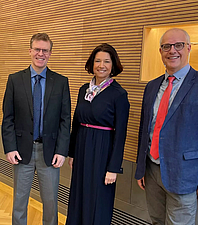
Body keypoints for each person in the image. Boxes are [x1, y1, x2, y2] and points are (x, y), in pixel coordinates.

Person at [135, 28, 198, 225]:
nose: (172, 51)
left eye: (178, 45)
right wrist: (141, 169)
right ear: (160, 51)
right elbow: (145, 130)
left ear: (188, 48)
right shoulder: (151, 86)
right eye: (166, 46)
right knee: (156, 221)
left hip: (184, 175)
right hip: (151, 171)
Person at [1, 33, 71, 225]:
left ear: (50, 53)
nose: (41, 53)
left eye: (45, 50)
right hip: (21, 152)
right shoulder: (15, 80)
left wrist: (62, 151)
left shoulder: (61, 82)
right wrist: (10, 147)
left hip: (49, 153)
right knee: (19, 202)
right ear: (30, 50)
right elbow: (8, 117)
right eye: (37, 49)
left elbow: (65, 120)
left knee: (50, 204)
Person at [66, 43, 130, 225]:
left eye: (106, 61)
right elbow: (76, 122)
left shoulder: (119, 94)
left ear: (113, 65)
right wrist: (72, 153)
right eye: (98, 61)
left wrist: (113, 167)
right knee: (79, 195)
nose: (101, 65)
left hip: (103, 152)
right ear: (91, 64)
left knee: (98, 199)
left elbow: (121, 134)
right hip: (82, 149)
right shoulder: (83, 90)